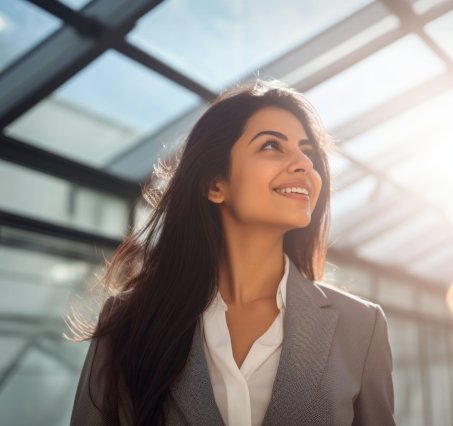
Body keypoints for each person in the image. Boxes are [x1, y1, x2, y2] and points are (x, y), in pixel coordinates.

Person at [68, 80, 395, 425]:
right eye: (272, 146)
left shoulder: (361, 326)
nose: (304, 165)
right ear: (215, 185)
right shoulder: (130, 320)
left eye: (308, 153)